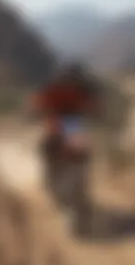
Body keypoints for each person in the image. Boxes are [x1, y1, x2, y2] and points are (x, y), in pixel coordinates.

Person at [30, 62, 102, 190]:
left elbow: (94, 107)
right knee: (47, 145)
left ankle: (77, 181)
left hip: (69, 123)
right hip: (60, 121)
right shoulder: (55, 90)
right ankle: (51, 175)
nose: (69, 83)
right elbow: (38, 103)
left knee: (80, 150)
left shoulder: (81, 90)